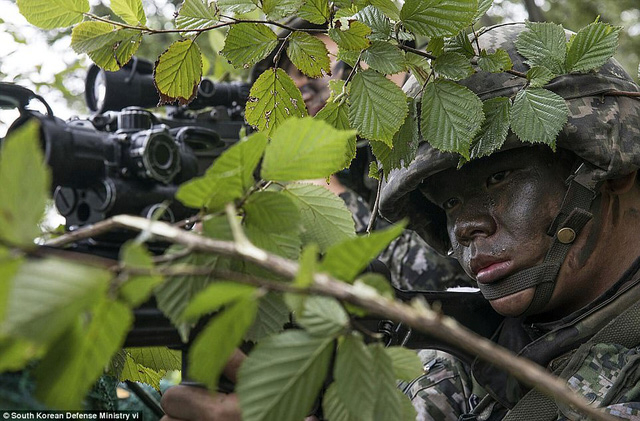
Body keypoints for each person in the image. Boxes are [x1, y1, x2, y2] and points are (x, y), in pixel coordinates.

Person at [379, 23, 640, 419]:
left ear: (611, 169)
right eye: (449, 202)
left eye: (498, 179)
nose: (466, 227)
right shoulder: (462, 362)